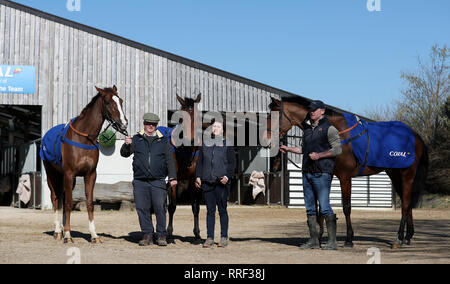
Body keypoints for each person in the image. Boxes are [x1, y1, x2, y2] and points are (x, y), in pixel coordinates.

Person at [280, 100, 342, 250]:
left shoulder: (330, 129)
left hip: (322, 173)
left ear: (322, 111)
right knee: (310, 209)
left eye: (314, 110)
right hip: (307, 173)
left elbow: (338, 149)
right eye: (310, 110)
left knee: (325, 208)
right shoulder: (307, 130)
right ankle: (314, 240)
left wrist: (320, 155)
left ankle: (332, 242)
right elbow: (303, 150)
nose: (311, 112)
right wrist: (288, 149)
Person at [120, 113, 177, 246]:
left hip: (158, 180)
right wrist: (126, 145)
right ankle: (147, 235)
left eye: (153, 124)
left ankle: (161, 235)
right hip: (140, 181)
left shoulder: (163, 141)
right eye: (148, 124)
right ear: (144, 124)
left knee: (159, 207)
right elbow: (124, 154)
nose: (150, 126)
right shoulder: (136, 139)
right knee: (142, 208)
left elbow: (170, 160)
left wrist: (173, 176)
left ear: (156, 126)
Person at [195, 121, 236, 248]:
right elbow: (200, 162)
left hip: (221, 183)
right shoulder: (205, 144)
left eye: (218, 126)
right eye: (213, 126)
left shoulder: (227, 145)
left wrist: (227, 177)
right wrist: (198, 176)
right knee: (210, 211)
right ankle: (209, 238)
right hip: (207, 182)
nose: (215, 128)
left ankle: (223, 237)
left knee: (222, 210)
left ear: (223, 130)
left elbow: (232, 163)